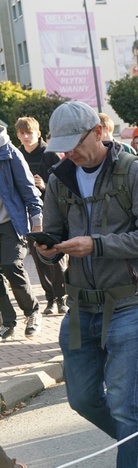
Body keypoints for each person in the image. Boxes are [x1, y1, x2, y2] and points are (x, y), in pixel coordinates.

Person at [37, 100, 138, 468]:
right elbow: (55, 233)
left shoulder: (134, 172)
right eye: (61, 145)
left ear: (97, 132)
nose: (67, 152)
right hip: (80, 308)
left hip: (128, 303)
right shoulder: (60, 179)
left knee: (124, 403)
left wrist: (97, 244)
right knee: (82, 399)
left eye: (73, 143)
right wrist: (48, 248)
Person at [14, 116, 68, 316]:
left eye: (30, 132)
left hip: (50, 213)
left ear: (38, 133)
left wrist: (44, 186)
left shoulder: (50, 154)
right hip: (27, 216)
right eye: (22, 133)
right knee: (37, 256)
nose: (26, 137)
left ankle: (62, 297)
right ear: (17, 135)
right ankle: (51, 298)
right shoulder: (16, 155)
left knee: (55, 254)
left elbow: (64, 183)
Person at [0, 122, 43, 340]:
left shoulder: (10, 153)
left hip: (10, 222)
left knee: (11, 265)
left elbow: (29, 190)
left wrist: (36, 222)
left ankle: (32, 311)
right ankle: (8, 322)